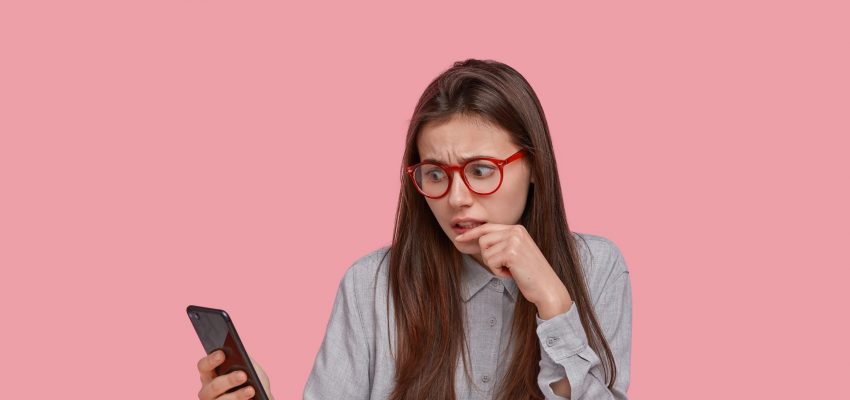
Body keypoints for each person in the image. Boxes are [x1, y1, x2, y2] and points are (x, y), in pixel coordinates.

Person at [195, 59, 632, 400]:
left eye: (481, 170)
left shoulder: (597, 267)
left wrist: (554, 305)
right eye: (435, 174)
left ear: (534, 166)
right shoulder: (371, 284)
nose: (456, 197)